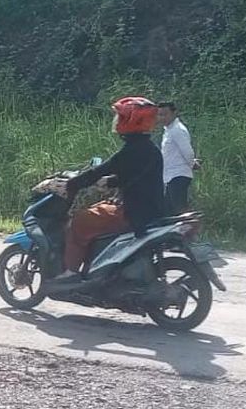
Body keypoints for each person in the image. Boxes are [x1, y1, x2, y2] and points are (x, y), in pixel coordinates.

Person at [55, 97, 164, 278]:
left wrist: (71, 184)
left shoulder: (131, 150)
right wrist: (111, 182)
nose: (117, 121)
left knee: (79, 221)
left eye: (121, 118)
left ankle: (70, 273)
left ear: (131, 121)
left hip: (132, 212)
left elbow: (100, 170)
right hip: (150, 210)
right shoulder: (150, 149)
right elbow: (135, 175)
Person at [158, 102, 198, 215]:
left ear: (174, 113)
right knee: (169, 211)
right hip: (170, 176)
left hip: (178, 175)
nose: (162, 118)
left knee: (180, 210)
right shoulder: (168, 130)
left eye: (165, 114)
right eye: (160, 115)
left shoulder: (177, 130)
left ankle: (190, 231)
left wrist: (192, 164)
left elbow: (187, 151)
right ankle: (175, 232)